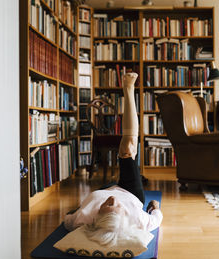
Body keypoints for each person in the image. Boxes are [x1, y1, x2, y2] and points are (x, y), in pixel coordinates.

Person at [63, 72, 163, 247]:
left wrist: (76, 210)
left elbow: (67, 220)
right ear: (125, 215)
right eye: (116, 207)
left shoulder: (84, 219)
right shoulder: (138, 220)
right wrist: (155, 206)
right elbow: (157, 218)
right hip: (131, 194)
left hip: (103, 189)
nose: (112, 200)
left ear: (97, 217)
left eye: (107, 206)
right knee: (128, 148)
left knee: (112, 179)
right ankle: (129, 89)